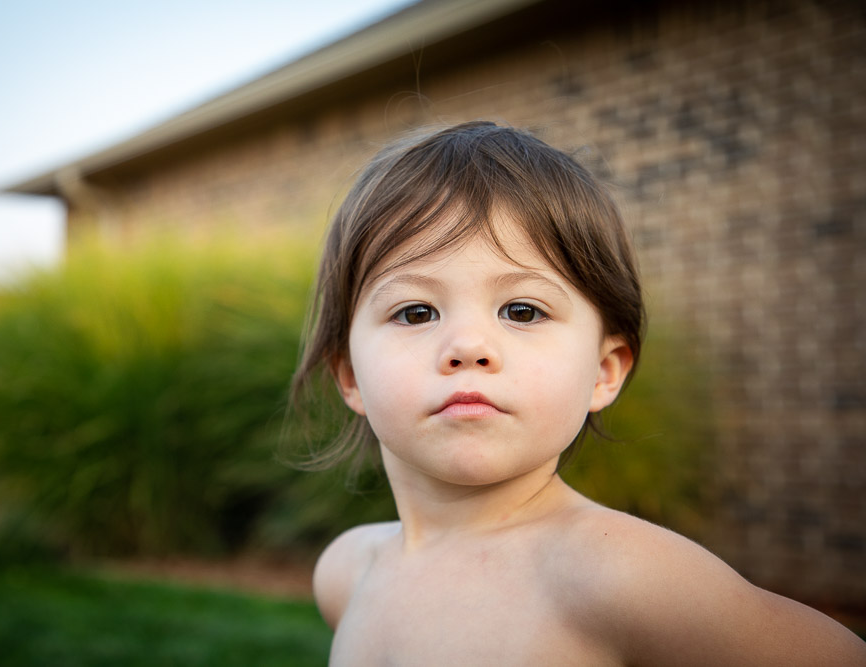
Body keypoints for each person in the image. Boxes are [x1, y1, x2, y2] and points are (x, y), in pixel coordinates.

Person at [291, 121, 866, 665]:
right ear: (349, 376)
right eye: (416, 312)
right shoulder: (347, 573)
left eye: (522, 310)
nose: (467, 346)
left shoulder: (622, 577)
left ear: (603, 372)